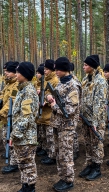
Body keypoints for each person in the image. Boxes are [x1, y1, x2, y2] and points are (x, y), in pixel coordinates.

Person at [46, 57, 80, 192]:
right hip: (57, 124)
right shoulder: (61, 83)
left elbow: (70, 110)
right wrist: (49, 97)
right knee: (59, 153)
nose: (56, 72)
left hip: (67, 125)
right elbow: (56, 97)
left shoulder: (73, 85)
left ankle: (69, 180)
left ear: (65, 69)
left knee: (66, 155)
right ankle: (63, 177)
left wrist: (54, 105)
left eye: (58, 69)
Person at [10, 62, 39, 192]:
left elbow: (26, 117)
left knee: (27, 163)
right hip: (21, 136)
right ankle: (25, 185)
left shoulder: (28, 92)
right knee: (22, 163)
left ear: (25, 74)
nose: (16, 75)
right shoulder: (22, 89)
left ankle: (30, 187)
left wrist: (15, 134)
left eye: (18, 72)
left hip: (26, 137)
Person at [79, 54, 107, 181]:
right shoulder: (85, 80)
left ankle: (97, 167)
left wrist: (95, 121)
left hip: (96, 120)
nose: (83, 67)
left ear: (92, 66)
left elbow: (100, 103)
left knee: (96, 144)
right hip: (85, 118)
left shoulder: (100, 81)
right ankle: (89, 164)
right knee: (88, 143)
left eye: (86, 65)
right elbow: (82, 98)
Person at [0, 62, 20, 173]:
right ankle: (11, 157)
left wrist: (0, 113)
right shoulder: (8, 83)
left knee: (11, 140)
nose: (6, 73)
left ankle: (14, 163)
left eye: (9, 72)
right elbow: (4, 97)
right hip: (6, 117)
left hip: (12, 117)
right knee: (5, 137)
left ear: (15, 73)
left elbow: (11, 103)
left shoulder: (16, 85)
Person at [41, 59, 60, 165]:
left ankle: (52, 156)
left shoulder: (55, 81)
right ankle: (49, 153)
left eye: (47, 69)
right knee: (47, 136)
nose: (45, 71)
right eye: (44, 69)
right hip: (45, 113)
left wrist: (47, 102)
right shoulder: (46, 80)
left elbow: (55, 97)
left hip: (50, 113)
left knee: (51, 136)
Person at [35, 63, 48, 157]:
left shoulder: (49, 82)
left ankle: (49, 152)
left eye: (39, 73)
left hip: (47, 114)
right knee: (41, 133)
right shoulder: (36, 83)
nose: (37, 75)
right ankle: (42, 147)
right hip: (40, 113)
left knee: (48, 135)